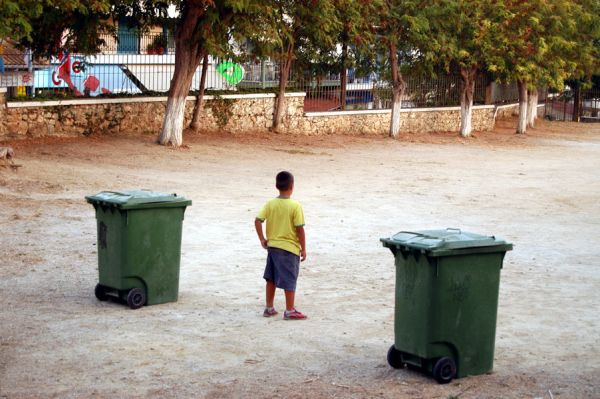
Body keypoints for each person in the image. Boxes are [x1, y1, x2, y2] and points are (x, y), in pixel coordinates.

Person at [254, 171, 307, 320]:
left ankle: (269, 308)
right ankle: (290, 310)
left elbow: (258, 220)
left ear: (276, 186)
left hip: (272, 247)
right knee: (290, 278)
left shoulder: (270, 204)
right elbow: (300, 229)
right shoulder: (295, 205)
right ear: (292, 186)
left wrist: (262, 239)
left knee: (270, 277)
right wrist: (303, 248)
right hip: (289, 249)